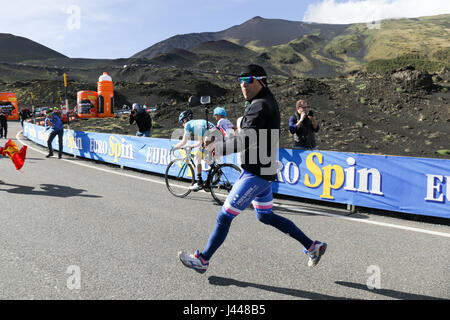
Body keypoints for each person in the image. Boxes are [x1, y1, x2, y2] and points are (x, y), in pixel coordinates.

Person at [178, 64, 327, 273]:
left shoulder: (258, 105)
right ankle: (313, 246)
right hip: (263, 169)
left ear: (261, 81)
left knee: (224, 215)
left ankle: (203, 260)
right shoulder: (267, 100)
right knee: (265, 216)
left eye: (248, 81)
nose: (243, 85)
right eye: (240, 81)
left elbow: (246, 138)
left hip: (256, 173)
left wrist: (216, 149)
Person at [173, 110, 219, 191]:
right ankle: (216, 172)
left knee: (197, 157)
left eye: (182, 122)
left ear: (185, 120)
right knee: (204, 156)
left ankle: (199, 182)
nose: (182, 124)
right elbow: (200, 142)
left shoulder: (188, 124)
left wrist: (174, 147)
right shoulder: (197, 124)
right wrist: (191, 146)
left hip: (211, 136)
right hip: (216, 135)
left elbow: (184, 141)